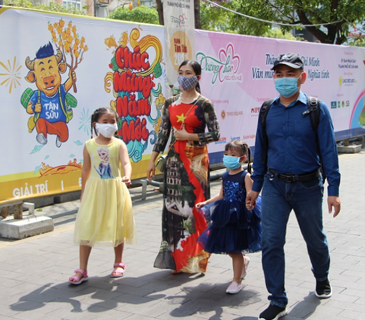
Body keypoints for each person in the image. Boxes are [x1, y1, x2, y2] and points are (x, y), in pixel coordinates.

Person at [245, 53, 341, 320]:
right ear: (274, 77)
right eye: (280, 74)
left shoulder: (315, 109)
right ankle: (277, 299)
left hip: (308, 187)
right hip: (275, 187)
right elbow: (261, 152)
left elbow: (329, 152)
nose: (285, 79)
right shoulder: (267, 110)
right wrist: (256, 187)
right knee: (271, 241)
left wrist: (334, 190)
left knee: (315, 240)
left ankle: (321, 277)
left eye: (291, 74)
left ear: (302, 77)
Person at [146, 60, 220, 274]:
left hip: (196, 163)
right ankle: (177, 260)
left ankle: (196, 258)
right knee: (173, 207)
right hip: (174, 161)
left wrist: (190, 136)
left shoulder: (204, 103)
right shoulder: (170, 102)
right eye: (181, 72)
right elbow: (163, 133)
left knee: (195, 207)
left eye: (189, 72)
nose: (184, 76)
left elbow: (215, 133)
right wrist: (153, 158)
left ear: (198, 77)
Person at [69, 107, 136, 285]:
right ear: (96, 124)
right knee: (86, 226)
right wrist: (83, 193)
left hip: (115, 188)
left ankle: (118, 262)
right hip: (94, 190)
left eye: (112, 122)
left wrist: (127, 174)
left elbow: (126, 163)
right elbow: (85, 170)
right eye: (105, 122)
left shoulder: (119, 144)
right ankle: (82, 269)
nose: (109, 125)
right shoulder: (89, 145)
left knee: (117, 225)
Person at [196, 140, 261, 294]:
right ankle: (243, 262)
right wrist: (206, 201)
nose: (228, 157)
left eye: (233, 155)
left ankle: (236, 280)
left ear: (242, 158)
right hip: (225, 215)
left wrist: (249, 205)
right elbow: (221, 195)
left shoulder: (246, 176)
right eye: (226, 154)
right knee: (231, 249)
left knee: (235, 248)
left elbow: (251, 196)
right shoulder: (225, 176)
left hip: (240, 216)